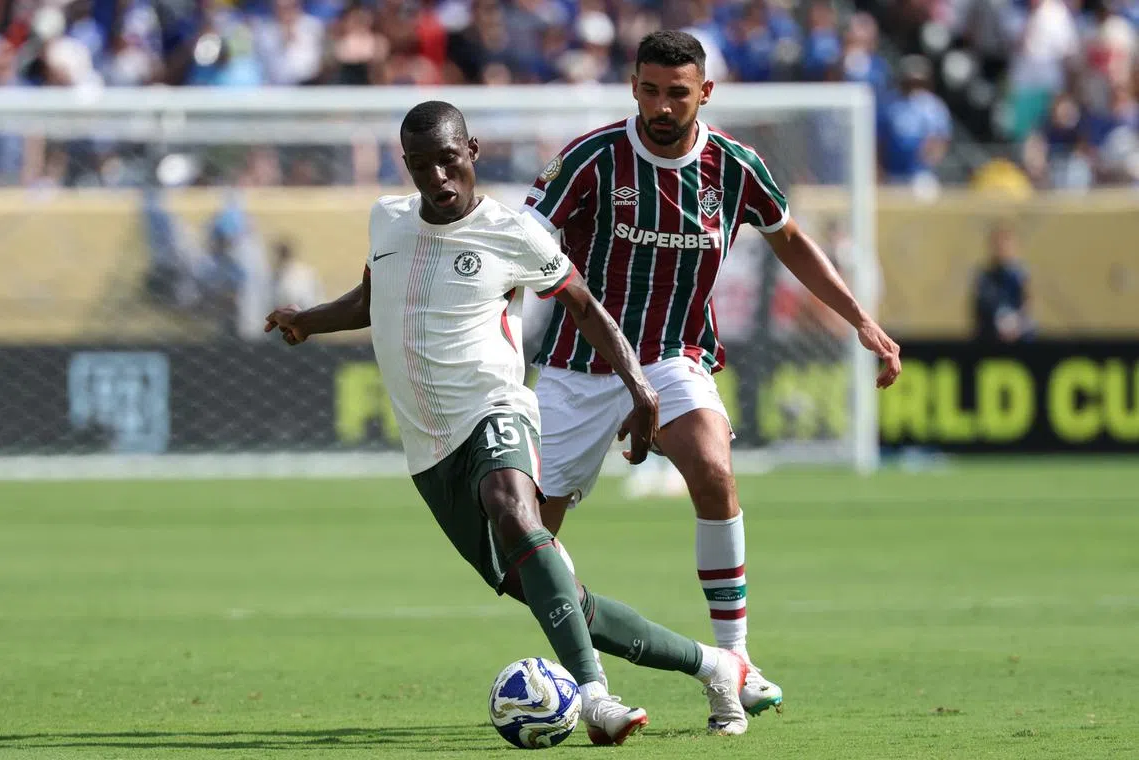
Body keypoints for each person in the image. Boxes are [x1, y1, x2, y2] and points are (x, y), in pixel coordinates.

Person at [264, 100, 757, 742]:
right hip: (431, 450)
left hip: (497, 407)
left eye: (448, 161)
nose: (437, 179)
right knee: (553, 596)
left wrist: (639, 386)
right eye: (421, 167)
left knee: (513, 505)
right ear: (405, 166)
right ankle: (714, 666)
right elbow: (373, 297)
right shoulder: (386, 221)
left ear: (472, 151)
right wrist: (309, 320)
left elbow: (582, 305)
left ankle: (594, 696)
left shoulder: (514, 233)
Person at [522, 30, 903, 725]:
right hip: (580, 366)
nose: (661, 106)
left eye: (677, 92)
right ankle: (589, 678)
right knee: (526, 548)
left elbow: (789, 239)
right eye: (649, 90)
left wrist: (859, 320)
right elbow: (520, 245)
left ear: (705, 92)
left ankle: (737, 661)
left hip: (674, 355)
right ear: (634, 86)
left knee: (713, 469)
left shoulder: (734, 166)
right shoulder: (592, 159)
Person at [973, 222, 1033, 343]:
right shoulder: (984, 276)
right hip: (989, 331)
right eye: (998, 244)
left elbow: (1027, 302)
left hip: (1018, 330)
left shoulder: (1019, 274)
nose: (1002, 248)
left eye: (1006, 244)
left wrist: (1016, 325)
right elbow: (979, 308)